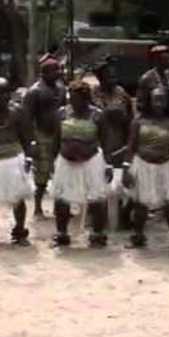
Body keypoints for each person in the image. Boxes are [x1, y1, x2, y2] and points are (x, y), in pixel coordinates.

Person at [122, 87, 169, 254]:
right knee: (140, 204)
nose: (159, 103)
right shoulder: (139, 121)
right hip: (142, 165)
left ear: (168, 102)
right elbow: (131, 146)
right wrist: (126, 168)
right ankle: (138, 236)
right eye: (155, 99)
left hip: (167, 167)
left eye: (162, 99)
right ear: (149, 101)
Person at [50, 81, 110, 248]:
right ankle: (62, 233)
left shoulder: (98, 115)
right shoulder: (62, 113)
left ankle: (98, 234)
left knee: (96, 198)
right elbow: (55, 140)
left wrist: (109, 165)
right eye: (71, 98)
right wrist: (51, 162)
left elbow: (105, 142)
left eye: (76, 99)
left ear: (86, 99)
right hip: (66, 162)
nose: (73, 102)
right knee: (62, 198)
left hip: (91, 162)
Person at [22, 56, 66, 218]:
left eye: (59, 69)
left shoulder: (61, 89)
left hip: (60, 135)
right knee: (42, 173)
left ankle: (59, 207)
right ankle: (38, 207)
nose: (59, 72)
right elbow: (27, 118)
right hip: (42, 135)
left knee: (61, 171)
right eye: (55, 70)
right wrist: (31, 141)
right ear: (44, 73)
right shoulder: (34, 92)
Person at [0, 78, 35, 246]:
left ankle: (20, 231)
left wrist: (29, 157)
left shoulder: (17, 111)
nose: (2, 97)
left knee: (18, 198)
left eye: (4, 93)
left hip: (14, 159)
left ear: (9, 95)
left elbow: (27, 137)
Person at [136, 45, 169, 114]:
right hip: (152, 120)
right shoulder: (146, 78)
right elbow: (140, 104)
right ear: (157, 61)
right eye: (166, 59)